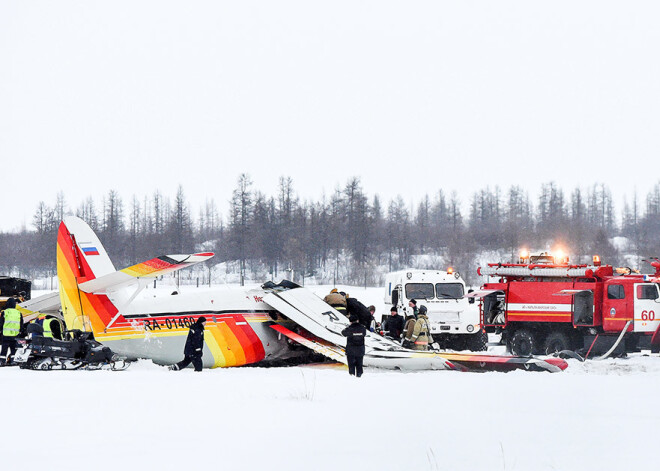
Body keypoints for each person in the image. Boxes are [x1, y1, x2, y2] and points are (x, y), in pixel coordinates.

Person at [0, 298, 24, 365]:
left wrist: (1, 330)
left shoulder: (4, 312)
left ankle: (2, 361)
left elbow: (1, 323)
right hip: (15, 335)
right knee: (13, 348)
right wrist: (20, 331)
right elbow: (21, 324)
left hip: (6, 334)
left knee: (4, 348)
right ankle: (13, 360)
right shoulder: (18, 313)